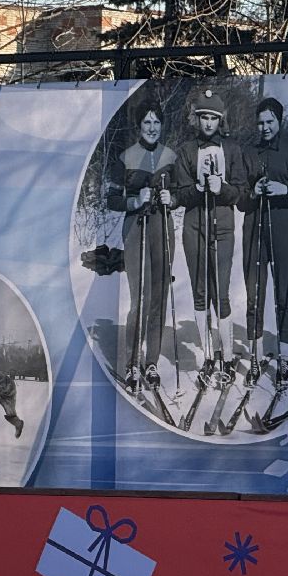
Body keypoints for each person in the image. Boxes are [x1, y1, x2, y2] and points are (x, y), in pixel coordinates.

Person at [171, 88, 251, 373]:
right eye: (203, 117)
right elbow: (179, 194)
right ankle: (207, 355)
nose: (207, 123)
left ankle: (227, 355)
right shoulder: (186, 150)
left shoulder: (232, 149)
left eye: (213, 118)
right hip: (194, 226)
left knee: (222, 292)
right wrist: (196, 188)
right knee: (200, 291)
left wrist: (223, 188)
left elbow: (242, 192)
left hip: (223, 227)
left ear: (221, 120)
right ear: (196, 119)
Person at [105, 99, 177, 384]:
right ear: (139, 125)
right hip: (135, 227)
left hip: (163, 226)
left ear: (162, 125)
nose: (152, 128)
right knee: (141, 297)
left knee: (160, 296)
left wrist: (174, 198)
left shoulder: (171, 156)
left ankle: (151, 362)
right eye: (147, 122)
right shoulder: (126, 157)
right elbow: (111, 199)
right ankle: (133, 361)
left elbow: (183, 190)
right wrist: (135, 200)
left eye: (156, 122)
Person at [239, 97, 288, 370]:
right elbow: (240, 199)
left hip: (283, 226)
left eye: (270, 121)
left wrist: (283, 189)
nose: (265, 127)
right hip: (254, 226)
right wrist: (254, 191)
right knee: (254, 292)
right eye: (261, 122)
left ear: (279, 121)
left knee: (284, 292)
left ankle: (285, 355)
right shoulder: (249, 152)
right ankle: (254, 354)